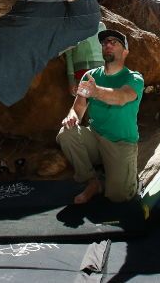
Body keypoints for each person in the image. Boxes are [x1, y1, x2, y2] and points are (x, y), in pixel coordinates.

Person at [56, 29, 144, 204]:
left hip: (121, 142)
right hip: (95, 137)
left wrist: (96, 92)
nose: (108, 45)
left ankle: (127, 178)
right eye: (105, 43)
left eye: (114, 42)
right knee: (66, 134)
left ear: (125, 51)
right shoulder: (91, 76)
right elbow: (78, 107)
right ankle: (92, 181)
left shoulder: (134, 78)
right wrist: (72, 117)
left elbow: (121, 97)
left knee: (120, 196)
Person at [64, 21, 106, 96]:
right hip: (80, 74)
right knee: (83, 103)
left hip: (99, 72)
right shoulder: (70, 28)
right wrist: (71, 80)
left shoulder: (100, 26)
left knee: (100, 103)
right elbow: (68, 54)